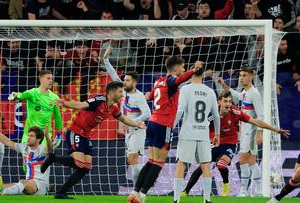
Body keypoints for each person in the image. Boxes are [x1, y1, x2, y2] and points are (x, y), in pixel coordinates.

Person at [40, 81, 146, 199]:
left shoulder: (114, 108)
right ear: (112, 93)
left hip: (85, 135)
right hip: (75, 131)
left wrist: (137, 124)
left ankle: (61, 192)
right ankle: (52, 158)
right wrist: (65, 103)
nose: (122, 94)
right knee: (79, 163)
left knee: (86, 168)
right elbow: (81, 105)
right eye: (120, 91)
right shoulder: (99, 100)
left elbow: (124, 119)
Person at [179, 91, 290, 199]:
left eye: (230, 101)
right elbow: (200, 129)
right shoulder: (211, 114)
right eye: (225, 101)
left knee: (221, 165)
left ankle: (226, 183)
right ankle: (185, 191)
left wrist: (276, 130)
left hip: (230, 144)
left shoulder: (236, 112)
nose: (228, 104)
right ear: (219, 102)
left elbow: (256, 122)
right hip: (214, 143)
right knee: (203, 167)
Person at [127, 57, 203, 203]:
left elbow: (149, 96)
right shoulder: (171, 80)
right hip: (163, 124)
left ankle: (134, 192)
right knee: (158, 163)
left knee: (151, 160)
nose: (184, 70)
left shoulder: (159, 81)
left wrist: (146, 96)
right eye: (183, 67)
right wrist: (194, 69)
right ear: (175, 68)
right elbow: (179, 80)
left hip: (153, 122)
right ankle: (142, 195)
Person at [103, 47, 151, 185]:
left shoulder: (139, 96)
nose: (124, 82)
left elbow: (147, 113)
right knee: (131, 160)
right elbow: (113, 75)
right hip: (128, 131)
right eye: (124, 80)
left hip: (137, 130)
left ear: (134, 83)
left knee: (132, 158)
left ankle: (141, 187)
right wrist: (106, 59)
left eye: (128, 80)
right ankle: (140, 187)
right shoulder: (123, 91)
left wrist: (131, 121)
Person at [173, 64, 220, 203]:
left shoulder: (185, 89)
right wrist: (217, 134)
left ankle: (176, 200)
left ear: (191, 72)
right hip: (203, 133)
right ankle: (207, 199)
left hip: (188, 132)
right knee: (205, 165)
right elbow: (216, 116)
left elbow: (180, 110)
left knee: (181, 164)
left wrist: (170, 127)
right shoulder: (210, 91)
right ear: (203, 73)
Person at [218, 67, 264, 196]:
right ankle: (258, 191)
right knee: (250, 161)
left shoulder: (254, 93)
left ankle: (245, 190)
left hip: (251, 131)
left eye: (244, 75)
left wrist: (259, 132)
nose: (241, 78)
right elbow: (236, 96)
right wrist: (224, 85)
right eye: (240, 75)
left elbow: (260, 114)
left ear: (251, 77)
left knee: (243, 158)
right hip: (245, 131)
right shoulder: (245, 92)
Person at [8, 69, 62, 146]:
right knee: (28, 158)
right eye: (48, 78)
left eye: (51, 79)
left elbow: (57, 117)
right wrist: (15, 95)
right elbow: (22, 95)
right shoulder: (32, 93)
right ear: (40, 79)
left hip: (44, 136)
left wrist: (59, 135)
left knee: (41, 158)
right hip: (29, 135)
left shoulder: (55, 98)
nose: (51, 81)